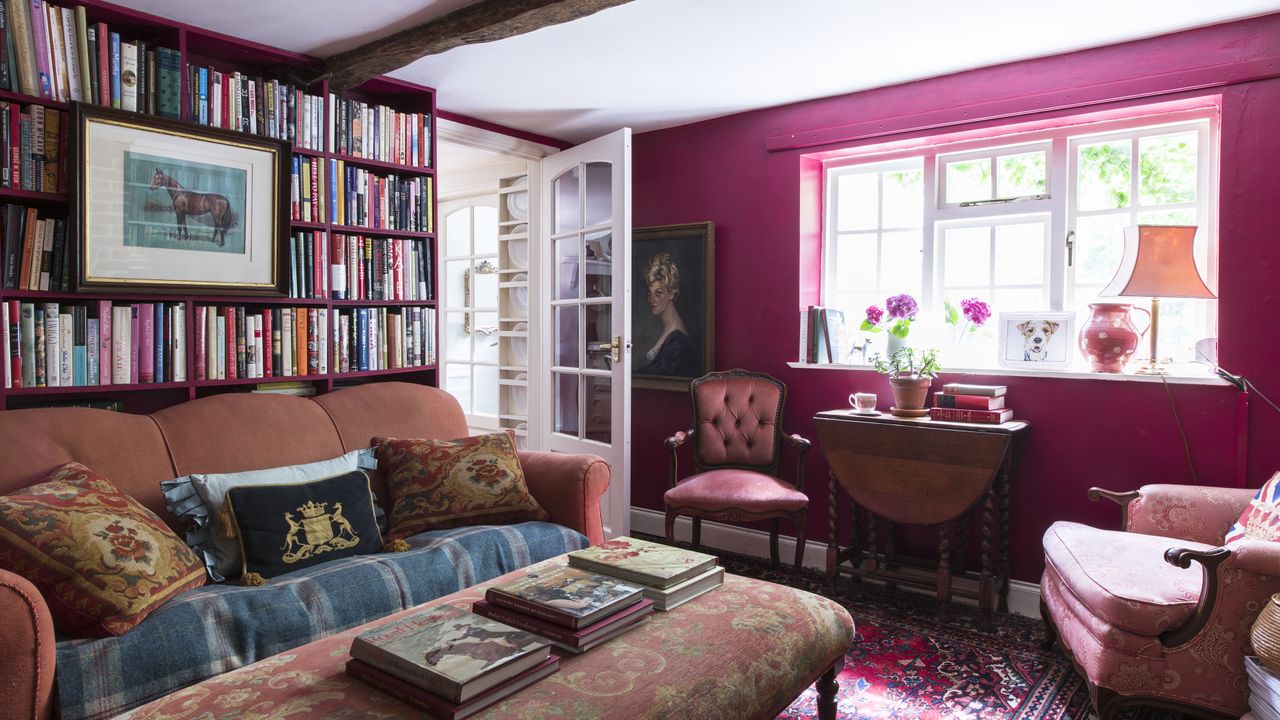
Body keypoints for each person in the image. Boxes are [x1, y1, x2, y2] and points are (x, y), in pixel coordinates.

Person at [637, 252, 700, 377]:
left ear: (671, 294)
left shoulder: (678, 339)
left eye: (658, 293)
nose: (651, 299)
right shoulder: (664, 327)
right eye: (650, 293)